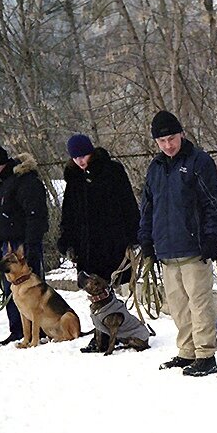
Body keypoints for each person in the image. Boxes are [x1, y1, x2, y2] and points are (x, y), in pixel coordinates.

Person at [138, 110, 217, 377]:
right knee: (177, 306)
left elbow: (214, 202)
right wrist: (146, 239)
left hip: (195, 248)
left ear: (181, 135)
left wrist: (212, 236)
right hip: (166, 249)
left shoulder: (199, 162)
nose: (168, 145)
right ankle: (187, 351)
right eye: (162, 141)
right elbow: (147, 208)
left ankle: (205, 354)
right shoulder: (155, 168)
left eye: (171, 139)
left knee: (200, 304)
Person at [58, 134, 142, 353]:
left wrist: (134, 235)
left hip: (110, 239)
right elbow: (68, 213)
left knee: (106, 287)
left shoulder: (112, 171)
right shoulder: (74, 179)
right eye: (75, 157)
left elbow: (127, 204)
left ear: (91, 152)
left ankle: (111, 331)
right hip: (85, 244)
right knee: (94, 290)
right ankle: (102, 332)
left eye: (83, 155)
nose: (80, 161)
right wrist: (66, 240)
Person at [0, 143, 49, 347]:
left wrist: (32, 244)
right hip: (6, 243)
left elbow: (35, 215)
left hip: (23, 243)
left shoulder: (24, 181)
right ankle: (18, 330)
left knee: (32, 288)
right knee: (11, 288)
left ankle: (39, 330)